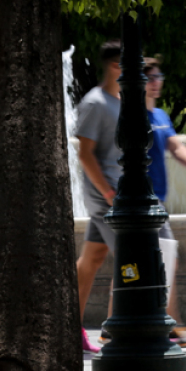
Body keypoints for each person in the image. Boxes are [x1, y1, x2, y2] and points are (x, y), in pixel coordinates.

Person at [143, 58, 186, 348]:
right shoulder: (130, 116)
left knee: (159, 257)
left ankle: (168, 323)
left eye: (159, 76)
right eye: (151, 77)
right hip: (137, 201)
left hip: (156, 200)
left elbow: (175, 146)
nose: (157, 82)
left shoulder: (160, 115)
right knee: (158, 258)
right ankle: (172, 323)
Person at [72, 41, 125, 351]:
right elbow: (85, 154)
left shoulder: (118, 100)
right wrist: (108, 193)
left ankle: (70, 327)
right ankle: (116, 331)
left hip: (112, 199)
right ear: (115, 65)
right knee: (130, 260)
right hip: (107, 199)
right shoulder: (95, 103)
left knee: (91, 259)